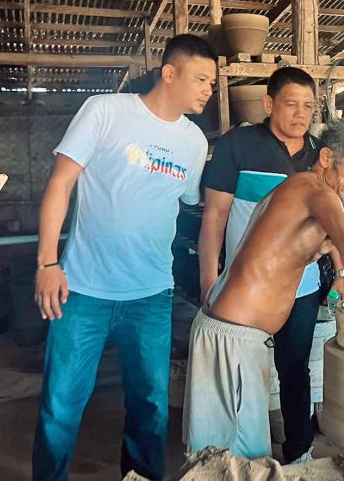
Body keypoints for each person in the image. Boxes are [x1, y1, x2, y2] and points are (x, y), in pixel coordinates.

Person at [32, 34, 216, 481]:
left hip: (151, 294)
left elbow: (190, 202)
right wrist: (47, 263)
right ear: (169, 73)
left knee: (151, 408)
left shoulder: (193, 142)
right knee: (61, 406)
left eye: (213, 81)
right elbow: (60, 183)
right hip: (82, 290)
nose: (209, 89)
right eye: (201, 79)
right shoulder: (105, 111)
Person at [184, 118, 344, 460]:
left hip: (233, 334)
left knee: (231, 457)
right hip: (231, 337)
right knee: (231, 459)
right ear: (326, 158)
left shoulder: (298, 189)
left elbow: (296, 250)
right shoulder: (316, 192)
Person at [198, 66, 344, 465]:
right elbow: (214, 215)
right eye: (291, 104)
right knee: (246, 368)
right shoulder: (239, 145)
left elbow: (331, 223)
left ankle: (299, 452)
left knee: (295, 367)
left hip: (302, 284)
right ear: (269, 104)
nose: (301, 114)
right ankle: (240, 455)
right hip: (248, 287)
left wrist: (341, 274)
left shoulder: (321, 155)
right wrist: (209, 278)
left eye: (309, 107)